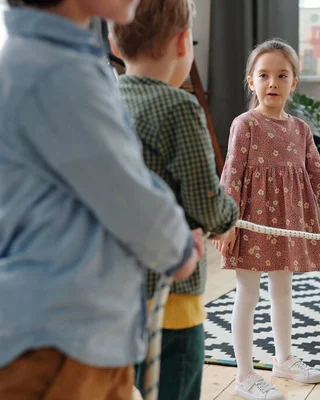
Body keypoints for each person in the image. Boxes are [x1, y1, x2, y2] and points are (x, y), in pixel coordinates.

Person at [0, 1, 204, 399]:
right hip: (57, 346)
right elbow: (123, 189)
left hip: (82, 337)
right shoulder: (54, 68)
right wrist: (177, 247)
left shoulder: (61, 59)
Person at [109, 0, 239, 398]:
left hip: (108, 287)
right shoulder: (179, 107)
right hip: (167, 294)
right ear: (184, 42)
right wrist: (228, 217)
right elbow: (205, 203)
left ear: (115, 43)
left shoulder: (103, 100)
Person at [214, 38, 320, 400]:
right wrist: (224, 222)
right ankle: (245, 376)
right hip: (248, 222)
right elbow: (231, 174)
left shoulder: (300, 130)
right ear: (251, 82)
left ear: (294, 83)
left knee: (282, 291)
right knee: (248, 293)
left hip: (287, 221)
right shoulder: (245, 124)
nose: (272, 83)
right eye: (264, 75)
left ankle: (283, 359)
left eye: (281, 75)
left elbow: (318, 176)